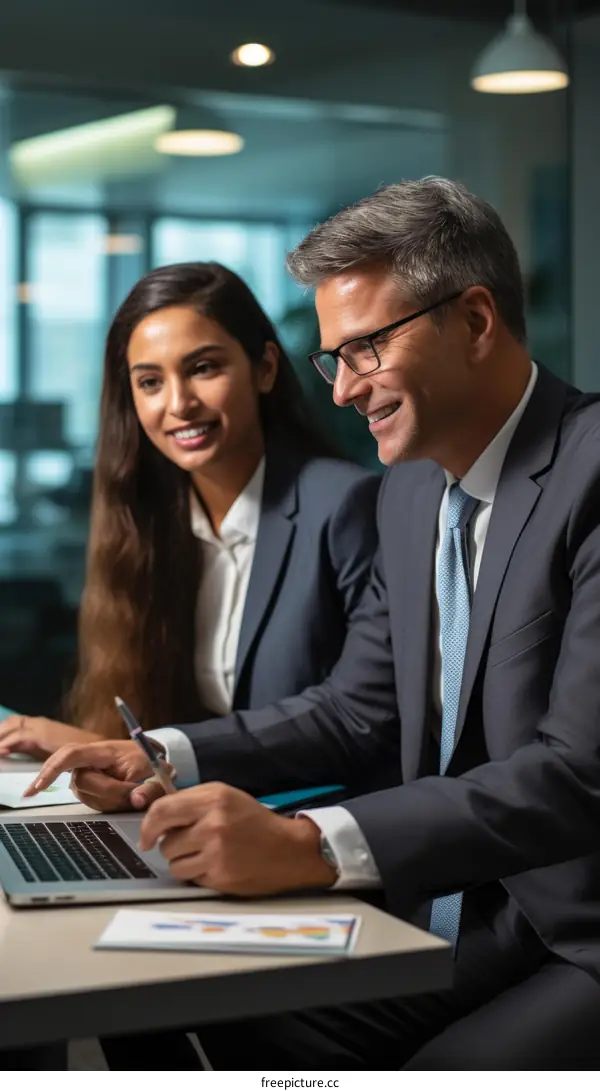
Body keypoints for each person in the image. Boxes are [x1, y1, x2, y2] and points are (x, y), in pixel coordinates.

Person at [33, 177, 600, 1070]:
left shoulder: (592, 472)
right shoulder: (412, 492)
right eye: (333, 359)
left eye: (366, 348)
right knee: (190, 1005)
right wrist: (164, 753)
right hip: (463, 909)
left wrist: (308, 845)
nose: (342, 390)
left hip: (577, 934)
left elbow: (576, 775)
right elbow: (354, 708)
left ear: (478, 320)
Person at [0, 261, 380, 771]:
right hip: (191, 817)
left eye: (203, 368)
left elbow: (356, 720)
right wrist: (97, 749)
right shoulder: (150, 521)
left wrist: (154, 754)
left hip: (307, 824)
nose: (178, 404)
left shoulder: (344, 506)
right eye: (150, 382)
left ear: (265, 369)